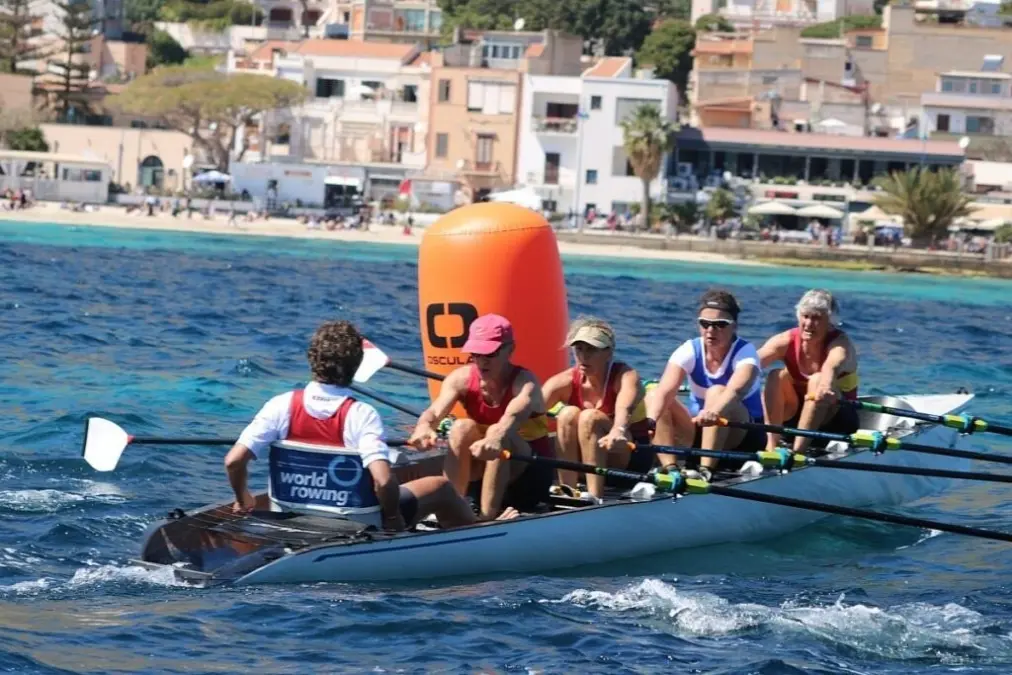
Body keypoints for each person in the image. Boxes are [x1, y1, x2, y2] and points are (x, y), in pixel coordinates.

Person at [224, 320, 476, 531]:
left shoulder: (280, 405)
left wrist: (242, 498)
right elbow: (384, 482)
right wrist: (391, 519)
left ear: (312, 359)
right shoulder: (361, 414)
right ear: (356, 367)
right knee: (441, 487)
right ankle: (475, 537)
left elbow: (234, 461)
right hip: (356, 524)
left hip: (288, 516)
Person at [409, 314, 553, 520]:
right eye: (476, 353)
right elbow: (434, 412)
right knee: (461, 428)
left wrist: (495, 437)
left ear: (510, 350)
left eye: (490, 354)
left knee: (497, 431)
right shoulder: (461, 379)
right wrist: (423, 427)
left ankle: (487, 518)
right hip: (485, 473)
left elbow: (511, 417)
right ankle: (450, 509)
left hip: (529, 476)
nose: (481, 361)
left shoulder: (525, 382)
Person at [645, 289, 766, 478]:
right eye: (705, 324)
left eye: (720, 324)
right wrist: (650, 420)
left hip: (743, 437)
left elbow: (735, 391)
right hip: (700, 431)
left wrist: (714, 412)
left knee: (717, 392)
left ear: (734, 326)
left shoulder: (746, 353)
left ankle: (706, 471)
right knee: (653, 395)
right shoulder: (689, 350)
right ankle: (671, 471)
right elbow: (664, 392)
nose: (710, 330)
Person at [541, 318, 653, 500]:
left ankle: (595, 497)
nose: (584, 357)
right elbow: (529, 413)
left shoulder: (626, 376)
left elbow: (624, 408)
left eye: (592, 350)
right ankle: (568, 491)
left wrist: (618, 429)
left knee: (590, 417)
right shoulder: (564, 381)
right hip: (589, 460)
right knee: (567, 414)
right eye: (579, 349)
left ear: (608, 353)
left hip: (629, 459)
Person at [757, 289, 860, 453]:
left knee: (817, 379)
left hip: (836, 420)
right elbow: (752, 363)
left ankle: (798, 452)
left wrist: (826, 386)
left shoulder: (840, 343)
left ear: (830, 322)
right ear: (799, 316)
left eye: (817, 318)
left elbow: (831, 366)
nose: (809, 324)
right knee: (775, 376)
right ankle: (771, 446)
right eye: (806, 316)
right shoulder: (784, 341)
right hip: (796, 417)